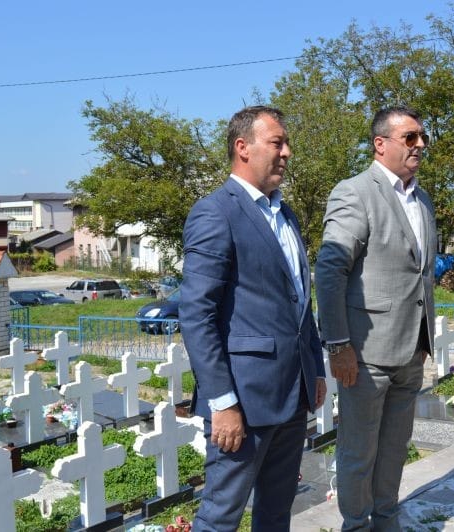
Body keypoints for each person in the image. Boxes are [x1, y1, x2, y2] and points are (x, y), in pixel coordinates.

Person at [180, 105, 326, 531]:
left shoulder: (285, 214)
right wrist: (222, 402)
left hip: (292, 395)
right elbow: (197, 314)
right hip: (243, 402)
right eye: (277, 143)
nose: (287, 152)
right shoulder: (215, 212)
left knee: (277, 513)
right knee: (220, 518)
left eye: (286, 143)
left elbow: (300, 302)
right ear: (243, 147)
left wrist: (315, 368)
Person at [315, 106, 437, 531]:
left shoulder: (422, 199)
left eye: (422, 137)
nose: (419, 145)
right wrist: (338, 345)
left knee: (395, 448)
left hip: (411, 351)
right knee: (358, 451)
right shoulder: (355, 192)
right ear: (380, 144)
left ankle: (386, 520)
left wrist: (424, 340)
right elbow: (330, 270)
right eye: (410, 137)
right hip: (365, 355)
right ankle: (355, 524)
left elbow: (419, 275)